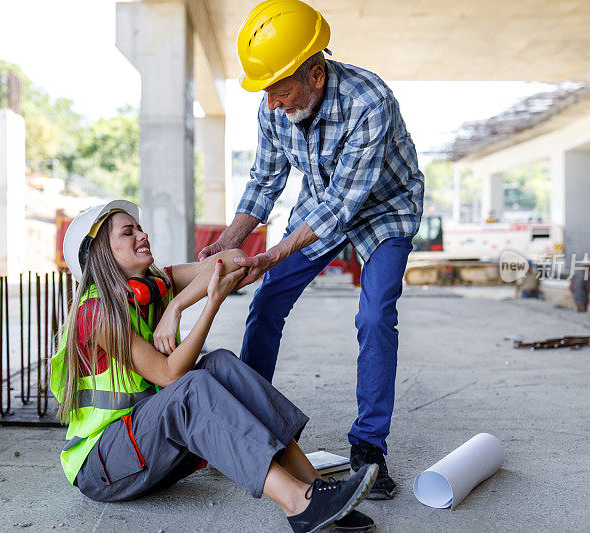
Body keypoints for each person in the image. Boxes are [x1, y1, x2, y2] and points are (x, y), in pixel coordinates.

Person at [197, 0, 424, 500]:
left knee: (375, 316)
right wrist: (228, 243)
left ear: (316, 75)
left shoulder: (370, 101)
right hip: (322, 204)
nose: (272, 102)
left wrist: (269, 255)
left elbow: (345, 206)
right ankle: (248, 425)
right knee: (268, 302)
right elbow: (265, 182)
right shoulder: (274, 106)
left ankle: (369, 447)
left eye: (279, 89)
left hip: (385, 211)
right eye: (267, 92)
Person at [50, 200, 378, 533]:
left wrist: (177, 304)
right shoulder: (99, 312)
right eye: (128, 231)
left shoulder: (155, 289)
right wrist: (212, 302)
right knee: (191, 388)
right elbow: (169, 376)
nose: (143, 234)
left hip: (148, 451)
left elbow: (235, 259)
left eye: (139, 226)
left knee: (220, 363)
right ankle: (298, 503)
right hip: (104, 468)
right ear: (100, 251)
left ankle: (319, 488)